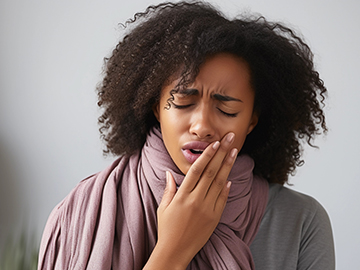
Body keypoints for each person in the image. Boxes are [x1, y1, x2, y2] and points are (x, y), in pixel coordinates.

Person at [38, 1, 335, 269]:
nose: (202, 125)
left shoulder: (301, 222)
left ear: (252, 121)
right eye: (182, 102)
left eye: (227, 110)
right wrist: (174, 249)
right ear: (156, 107)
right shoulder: (79, 214)